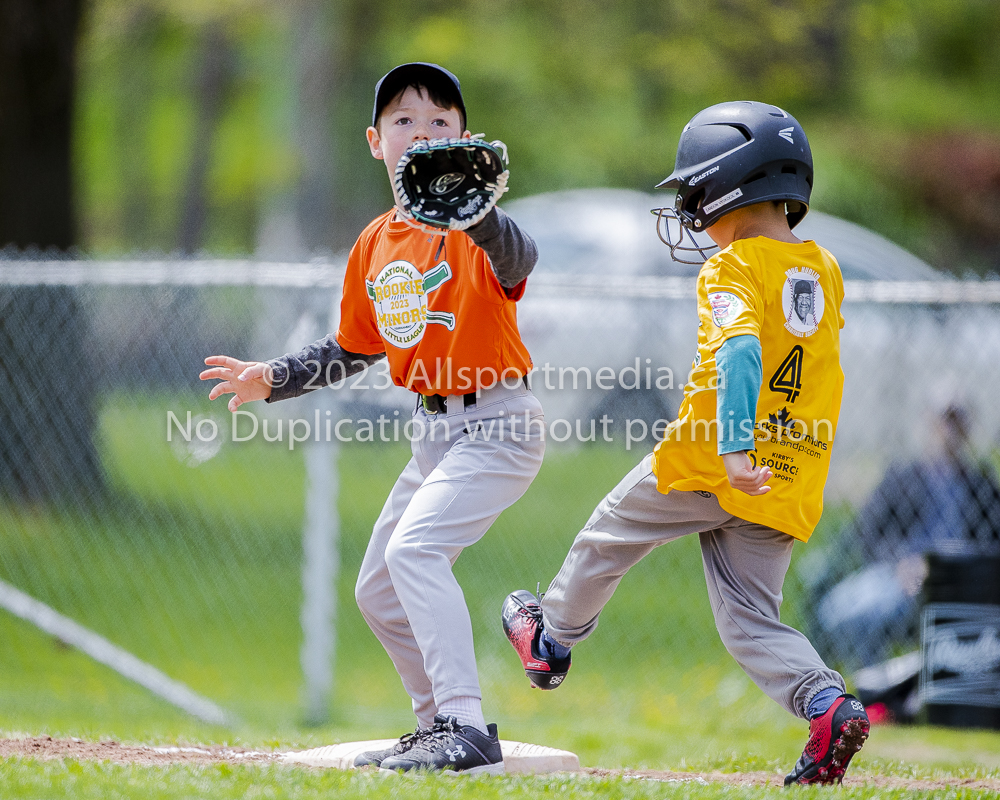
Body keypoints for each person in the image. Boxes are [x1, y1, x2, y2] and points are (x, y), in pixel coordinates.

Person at [501, 101, 870, 786]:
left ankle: (549, 640)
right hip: (791, 466)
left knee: (607, 539)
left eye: (696, 189)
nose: (691, 204)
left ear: (732, 184)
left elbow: (738, 358)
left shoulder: (731, 268)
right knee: (750, 622)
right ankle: (827, 705)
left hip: (710, 457)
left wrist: (732, 447)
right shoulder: (824, 266)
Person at [201, 62, 544, 775]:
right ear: (375, 141)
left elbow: (519, 259)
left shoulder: (476, 232)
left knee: (413, 553)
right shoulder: (376, 242)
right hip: (435, 433)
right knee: (378, 590)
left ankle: (465, 724)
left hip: (500, 422)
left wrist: (476, 211)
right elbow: (354, 345)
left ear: (466, 141)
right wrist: (276, 379)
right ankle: (436, 727)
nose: (422, 133)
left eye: (440, 122)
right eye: (404, 121)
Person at [813, 403, 1000, 671]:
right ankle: (874, 681)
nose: (950, 430)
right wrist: (903, 562)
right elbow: (868, 534)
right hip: (901, 575)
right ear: (928, 423)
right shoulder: (903, 476)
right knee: (838, 612)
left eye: (958, 420)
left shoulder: (980, 483)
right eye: (944, 420)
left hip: (962, 577)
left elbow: (993, 541)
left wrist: (961, 568)